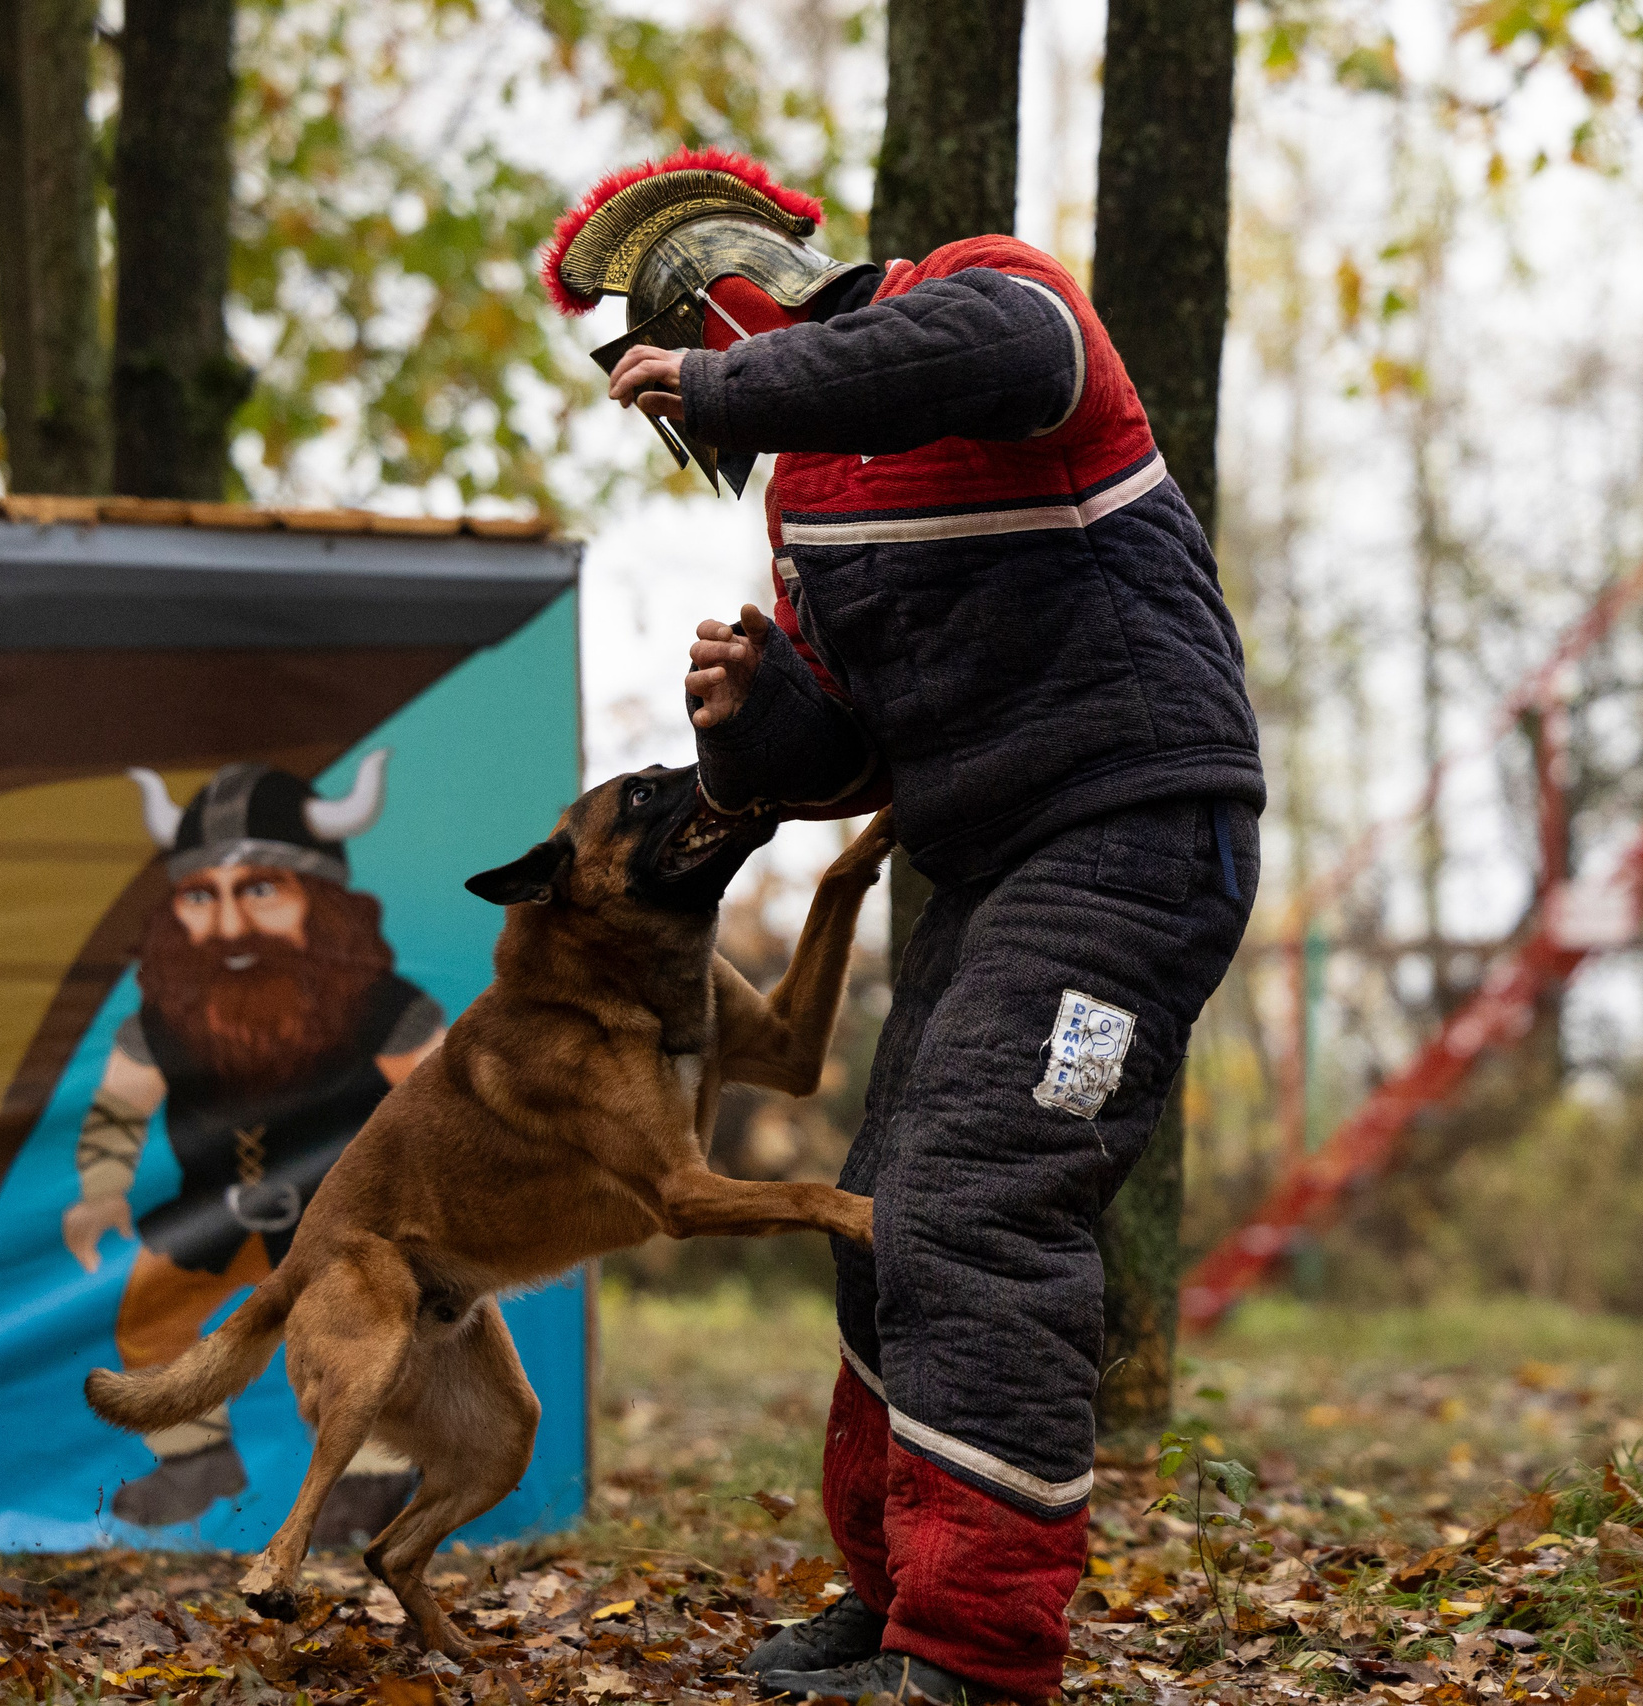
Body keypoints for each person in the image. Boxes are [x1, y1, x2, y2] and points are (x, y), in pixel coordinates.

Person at [545, 150, 1263, 1704]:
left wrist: (736, 386)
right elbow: (849, 753)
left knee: (977, 1203)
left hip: (1135, 840)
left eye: (673, 360)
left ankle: (978, 1654)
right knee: (885, 1215)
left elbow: (1012, 357)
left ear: (722, 293)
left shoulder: (986, 298)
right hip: (991, 867)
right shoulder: (807, 501)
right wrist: (752, 725)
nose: (682, 411)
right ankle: (900, 1600)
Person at [64, 754, 444, 1535]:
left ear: (324, 903)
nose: (229, 925)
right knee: (150, 1316)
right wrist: (101, 1191)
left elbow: (446, 1105)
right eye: (202, 896)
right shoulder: (160, 1020)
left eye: (261, 890)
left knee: (356, 1341)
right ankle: (197, 1463)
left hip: (349, 1225)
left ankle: (368, 1480)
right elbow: (117, 1111)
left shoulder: (384, 1009)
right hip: (214, 1213)